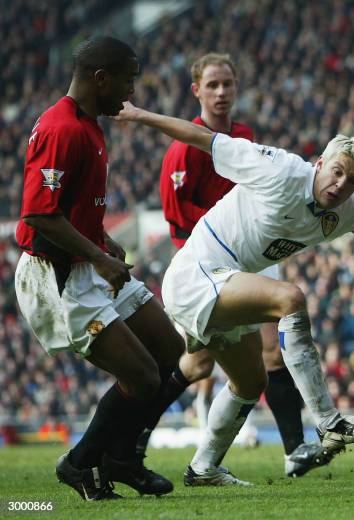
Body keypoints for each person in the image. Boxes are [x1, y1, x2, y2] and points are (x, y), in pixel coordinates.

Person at [114, 99, 354, 485]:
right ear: (319, 164)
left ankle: (203, 468)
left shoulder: (350, 206)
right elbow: (204, 138)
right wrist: (140, 114)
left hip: (231, 280)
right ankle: (329, 422)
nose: (341, 185)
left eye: (353, 181)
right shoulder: (278, 169)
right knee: (290, 298)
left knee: (250, 383)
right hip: (196, 273)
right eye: (336, 173)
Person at [14, 36, 186, 500]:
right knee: (144, 378)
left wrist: (104, 243)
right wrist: (100, 257)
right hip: (57, 275)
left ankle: (123, 460)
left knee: (171, 352)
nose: (130, 93)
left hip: (87, 262)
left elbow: (74, 211)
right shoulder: (60, 129)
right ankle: (79, 463)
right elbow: (38, 214)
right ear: (100, 78)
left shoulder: (90, 125)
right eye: (127, 80)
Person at [138, 52, 322, 478]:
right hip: (203, 263)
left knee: (273, 350)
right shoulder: (185, 148)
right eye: (213, 85)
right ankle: (136, 433)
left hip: (253, 256)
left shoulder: (244, 135)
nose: (222, 92)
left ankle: (295, 451)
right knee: (197, 365)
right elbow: (178, 223)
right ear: (196, 90)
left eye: (228, 85)